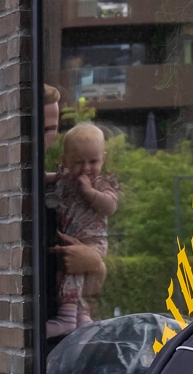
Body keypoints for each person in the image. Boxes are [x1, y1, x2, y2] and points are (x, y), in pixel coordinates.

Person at [48, 122, 118, 337]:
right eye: (78, 162)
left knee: (72, 272)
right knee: (68, 273)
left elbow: (110, 206)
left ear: (102, 159)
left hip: (92, 241)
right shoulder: (65, 178)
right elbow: (50, 178)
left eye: (93, 161)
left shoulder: (101, 182)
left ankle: (67, 318)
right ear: (65, 161)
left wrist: (90, 193)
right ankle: (82, 317)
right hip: (72, 236)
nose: (86, 168)